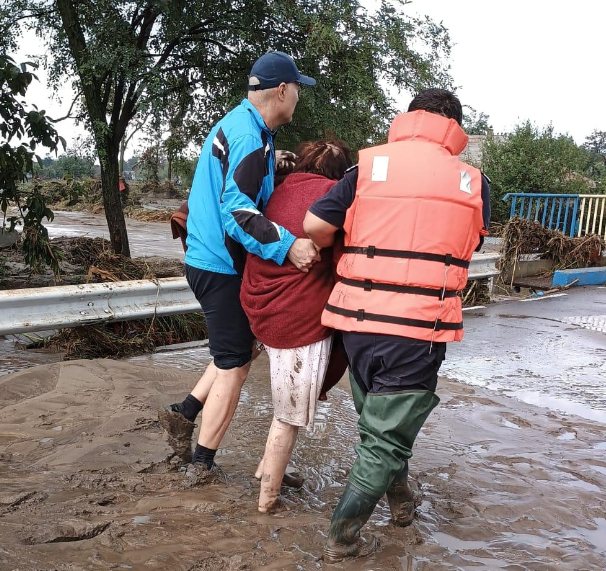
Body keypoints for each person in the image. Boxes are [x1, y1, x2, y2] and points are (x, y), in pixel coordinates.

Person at [303, 89, 491, 563]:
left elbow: (314, 226)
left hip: (358, 323)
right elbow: (473, 242)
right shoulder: (473, 182)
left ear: (410, 118)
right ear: (454, 127)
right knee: (386, 436)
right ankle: (341, 539)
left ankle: (402, 502)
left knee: (381, 424)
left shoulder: (366, 166)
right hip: (418, 328)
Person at [158, 51, 320, 474]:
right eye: (297, 89)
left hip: (206, 257)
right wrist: (288, 246)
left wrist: (274, 161)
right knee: (235, 366)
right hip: (219, 265)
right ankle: (201, 463)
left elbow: (241, 178)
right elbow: (237, 211)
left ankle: (184, 411)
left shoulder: (246, 126)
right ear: (282, 90)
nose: (298, 97)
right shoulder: (250, 138)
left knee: (235, 349)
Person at [240, 140, 353, 512]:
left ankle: (268, 470)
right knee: (288, 416)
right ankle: (267, 501)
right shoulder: (333, 199)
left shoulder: (277, 188)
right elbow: (343, 265)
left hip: (257, 306)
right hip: (295, 318)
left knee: (282, 404)